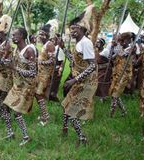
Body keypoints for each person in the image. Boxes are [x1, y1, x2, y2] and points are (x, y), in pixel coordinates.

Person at [60, 5, 97, 145]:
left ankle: (82, 138)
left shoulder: (86, 43)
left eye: (75, 28)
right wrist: (63, 48)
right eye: (71, 28)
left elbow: (93, 65)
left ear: (82, 29)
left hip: (86, 82)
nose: (72, 30)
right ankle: (64, 129)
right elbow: (74, 61)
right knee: (67, 105)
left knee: (72, 111)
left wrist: (74, 79)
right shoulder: (79, 43)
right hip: (78, 80)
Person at [2, 27, 37, 146]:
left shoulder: (29, 51)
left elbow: (33, 73)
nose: (12, 37)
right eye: (12, 35)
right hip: (17, 85)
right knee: (5, 107)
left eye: (14, 35)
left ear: (21, 35)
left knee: (17, 112)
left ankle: (26, 137)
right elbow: (9, 64)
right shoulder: (16, 49)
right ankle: (10, 132)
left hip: (27, 86)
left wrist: (14, 68)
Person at [34, 20, 57, 126]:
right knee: (37, 94)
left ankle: (45, 117)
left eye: (43, 34)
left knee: (39, 94)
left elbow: (52, 61)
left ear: (48, 34)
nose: (40, 36)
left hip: (46, 75)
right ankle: (43, 114)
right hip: (40, 73)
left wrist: (40, 61)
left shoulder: (50, 44)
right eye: (40, 34)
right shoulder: (44, 45)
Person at [108, 32, 136, 117]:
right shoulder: (120, 48)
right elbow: (110, 57)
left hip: (125, 74)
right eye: (121, 40)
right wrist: (112, 47)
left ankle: (111, 115)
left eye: (123, 40)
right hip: (116, 73)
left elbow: (122, 54)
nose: (122, 42)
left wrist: (117, 44)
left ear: (129, 40)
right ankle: (123, 111)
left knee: (115, 93)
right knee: (114, 93)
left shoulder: (132, 48)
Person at [49, 33, 65, 102]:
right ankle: (50, 96)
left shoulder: (58, 49)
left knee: (54, 84)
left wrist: (59, 70)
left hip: (56, 69)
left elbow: (61, 62)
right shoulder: (53, 48)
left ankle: (54, 97)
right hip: (52, 69)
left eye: (53, 40)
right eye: (51, 40)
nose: (51, 42)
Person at [95, 38, 112, 102]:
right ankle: (98, 95)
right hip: (97, 69)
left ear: (102, 44)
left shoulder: (106, 51)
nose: (97, 43)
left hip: (105, 69)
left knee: (102, 82)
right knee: (96, 82)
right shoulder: (95, 51)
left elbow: (109, 61)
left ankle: (102, 97)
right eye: (97, 42)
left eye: (99, 42)